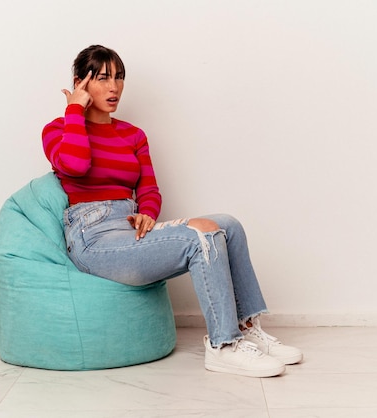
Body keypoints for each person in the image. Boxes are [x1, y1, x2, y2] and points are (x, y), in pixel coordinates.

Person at [42, 45, 302, 378]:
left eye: (119, 77)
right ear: (80, 82)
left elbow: (148, 189)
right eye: (103, 78)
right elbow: (76, 165)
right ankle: (223, 346)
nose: (114, 87)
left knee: (228, 225)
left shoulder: (133, 135)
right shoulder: (57, 129)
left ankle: (247, 327)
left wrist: (148, 213)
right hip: (92, 239)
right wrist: (75, 110)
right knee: (201, 236)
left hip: (130, 227)